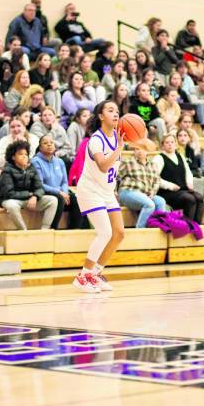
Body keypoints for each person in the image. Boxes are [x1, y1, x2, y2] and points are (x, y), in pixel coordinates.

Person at [73, 100, 125, 293]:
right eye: (110, 110)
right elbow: (103, 166)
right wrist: (119, 148)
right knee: (105, 233)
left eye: (117, 111)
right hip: (90, 191)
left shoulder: (117, 138)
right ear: (101, 116)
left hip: (107, 192)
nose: (116, 114)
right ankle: (83, 275)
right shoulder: (96, 139)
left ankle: (95, 273)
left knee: (119, 233)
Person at [0, 140, 58, 230]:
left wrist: (35, 196)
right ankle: (24, 231)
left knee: (53, 200)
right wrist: (29, 195)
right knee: (11, 206)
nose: (24, 156)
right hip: (12, 199)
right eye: (20, 154)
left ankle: (44, 230)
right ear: (13, 157)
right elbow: (9, 193)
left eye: (26, 154)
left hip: (29, 200)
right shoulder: (7, 170)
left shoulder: (31, 168)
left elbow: (40, 187)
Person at [32, 135, 83, 229]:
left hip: (61, 192)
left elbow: (64, 181)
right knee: (60, 198)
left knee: (78, 199)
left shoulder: (59, 161)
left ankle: (74, 230)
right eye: (45, 143)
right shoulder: (35, 161)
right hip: (44, 192)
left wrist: (65, 192)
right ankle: (53, 228)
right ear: (40, 147)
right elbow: (40, 184)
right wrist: (60, 192)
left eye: (51, 143)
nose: (49, 145)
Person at [153, 134, 204, 223]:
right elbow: (154, 178)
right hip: (167, 192)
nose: (170, 144)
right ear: (162, 145)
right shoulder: (158, 158)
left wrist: (189, 183)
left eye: (172, 142)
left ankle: (197, 226)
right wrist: (169, 186)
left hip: (182, 190)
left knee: (199, 198)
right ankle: (186, 227)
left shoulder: (180, 156)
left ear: (175, 144)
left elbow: (188, 173)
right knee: (190, 199)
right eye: (167, 142)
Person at [118, 148, 166, 228]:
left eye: (142, 149)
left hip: (146, 194)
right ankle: (139, 230)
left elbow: (157, 181)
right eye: (136, 149)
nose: (139, 151)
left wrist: (153, 191)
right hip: (128, 191)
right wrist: (114, 192)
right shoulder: (128, 162)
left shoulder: (153, 165)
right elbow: (115, 177)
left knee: (160, 201)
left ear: (147, 151)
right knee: (149, 204)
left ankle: (157, 228)